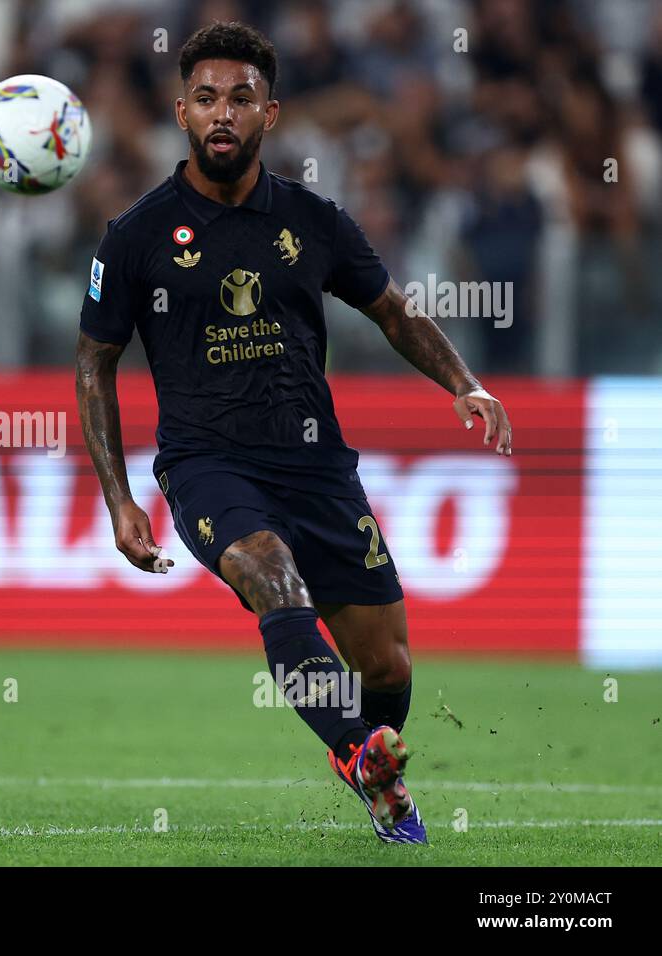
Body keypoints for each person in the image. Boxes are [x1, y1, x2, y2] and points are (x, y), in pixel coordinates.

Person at [74, 21, 513, 845]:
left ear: (270, 114)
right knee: (273, 580)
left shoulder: (313, 220)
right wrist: (119, 499)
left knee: (386, 667)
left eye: (241, 97)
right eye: (206, 98)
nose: (222, 114)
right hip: (208, 467)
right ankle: (357, 755)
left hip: (318, 470)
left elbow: (392, 311)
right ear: (181, 111)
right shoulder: (135, 237)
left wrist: (465, 382)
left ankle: (377, 772)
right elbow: (95, 365)